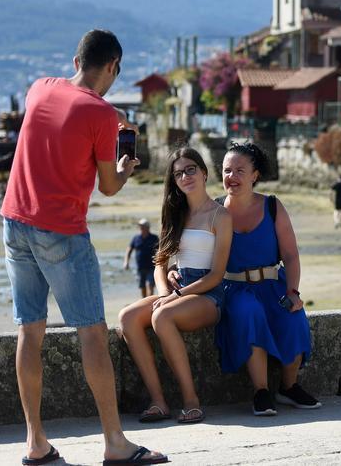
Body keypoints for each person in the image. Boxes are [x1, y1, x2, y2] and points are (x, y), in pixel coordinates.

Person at [0, 29, 166, 465]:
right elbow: (108, 187)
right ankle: (115, 442)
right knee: (91, 331)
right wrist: (125, 163)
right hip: (61, 230)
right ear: (112, 66)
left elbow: (56, 137)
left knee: (29, 330)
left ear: (75, 60)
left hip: (14, 220)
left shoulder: (40, 87)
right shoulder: (103, 113)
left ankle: (36, 442)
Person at [118, 148, 232, 425]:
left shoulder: (220, 216)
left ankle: (191, 402)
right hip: (176, 290)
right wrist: (166, 293)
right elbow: (160, 263)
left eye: (190, 169)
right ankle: (158, 401)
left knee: (162, 316)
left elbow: (217, 275)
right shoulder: (173, 213)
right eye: (178, 173)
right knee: (127, 317)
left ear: (204, 172)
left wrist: (177, 296)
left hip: (209, 294)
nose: (185, 176)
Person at [215, 142, 319, 416]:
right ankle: (261, 392)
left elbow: (291, 255)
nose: (232, 176)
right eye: (227, 170)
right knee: (249, 314)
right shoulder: (213, 211)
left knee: (293, 317)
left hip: (275, 284)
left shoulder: (272, 206)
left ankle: (289, 387)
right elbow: (194, 251)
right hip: (235, 289)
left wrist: (293, 291)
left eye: (240, 170)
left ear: (255, 175)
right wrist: (173, 270)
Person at [124, 219, 159, 298]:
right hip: (140, 267)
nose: (141, 228)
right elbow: (129, 249)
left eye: (142, 226)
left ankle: (150, 302)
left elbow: (160, 250)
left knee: (150, 285)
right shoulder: (136, 238)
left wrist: (161, 262)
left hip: (152, 266)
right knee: (142, 286)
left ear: (147, 227)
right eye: (140, 226)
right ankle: (144, 302)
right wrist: (126, 262)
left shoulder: (154, 238)